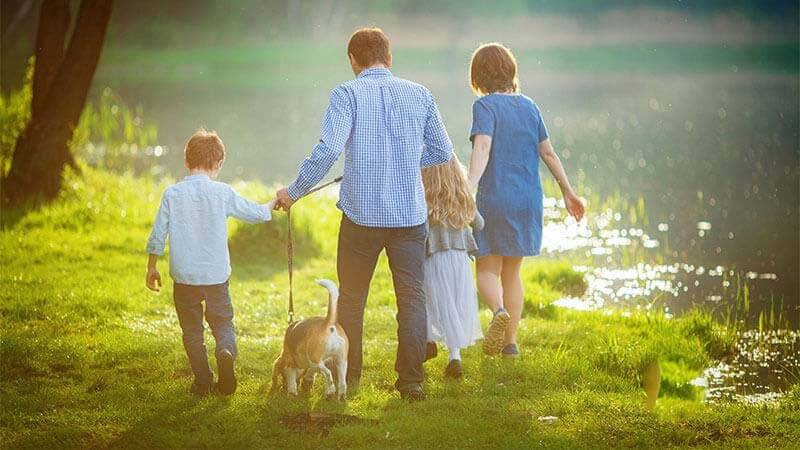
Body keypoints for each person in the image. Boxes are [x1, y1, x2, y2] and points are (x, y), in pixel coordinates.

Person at [273, 27, 452, 401]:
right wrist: (404, 164)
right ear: (389, 58)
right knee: (412, 298)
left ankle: (348, 379)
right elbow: (442, 150)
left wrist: (294, 192)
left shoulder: (346, 94)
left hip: (361, 219)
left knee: (351, 299)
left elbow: (327, 150)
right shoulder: (421, 94)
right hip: (408, 219)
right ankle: (411, 383)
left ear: (353, 61)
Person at [466, 43, 585, 358]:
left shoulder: (485, 106)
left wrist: (468, 186)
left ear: (478, 76)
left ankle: (498, 311)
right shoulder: (530, 106)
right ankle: (510, 344)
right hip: (529, 200)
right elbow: (548, 152)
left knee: (487, 270)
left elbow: (483, 147)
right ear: (510, 71)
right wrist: (568, 191)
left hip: (496, 198)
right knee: (512, 273)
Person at [145, 129, 275, 395]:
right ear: (218, 164)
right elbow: (256, 213)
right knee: (223, 322)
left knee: (192, 331)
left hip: (185, 278)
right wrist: (274, 202)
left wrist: (152, 267)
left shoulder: (172, 194)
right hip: (216, 277)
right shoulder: (223, 193)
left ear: (186, 161)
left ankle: (203, 381)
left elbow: (158, 233)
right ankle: (225, 351)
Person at [420, 154, 484, 379]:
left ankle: (427, 342)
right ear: (456, 171)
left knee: (431, 301)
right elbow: (480, 223)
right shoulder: (462, 194)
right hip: (459, 260)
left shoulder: (424, 194)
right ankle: (454, 357)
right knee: (455, 305)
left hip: (433, 256)